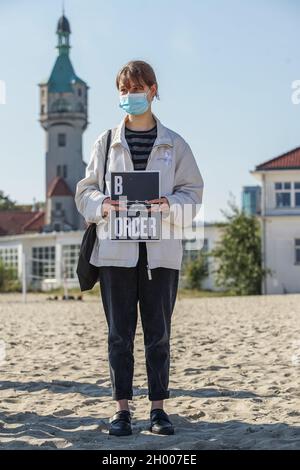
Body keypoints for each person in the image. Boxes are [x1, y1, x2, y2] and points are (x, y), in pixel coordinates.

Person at [75, 60, 204, 437]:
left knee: (158, 333)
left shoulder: (175, 144)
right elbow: (85, 190)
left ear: (152, 90)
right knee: (118, 333)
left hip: (160, 254)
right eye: (123, 90)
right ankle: (121, 410)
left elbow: (193, 193)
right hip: (115, 252)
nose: (129, 96)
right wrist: (102, 204)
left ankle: (159, 410)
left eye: (135, 89)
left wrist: (169, 205)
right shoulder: (105, 141)